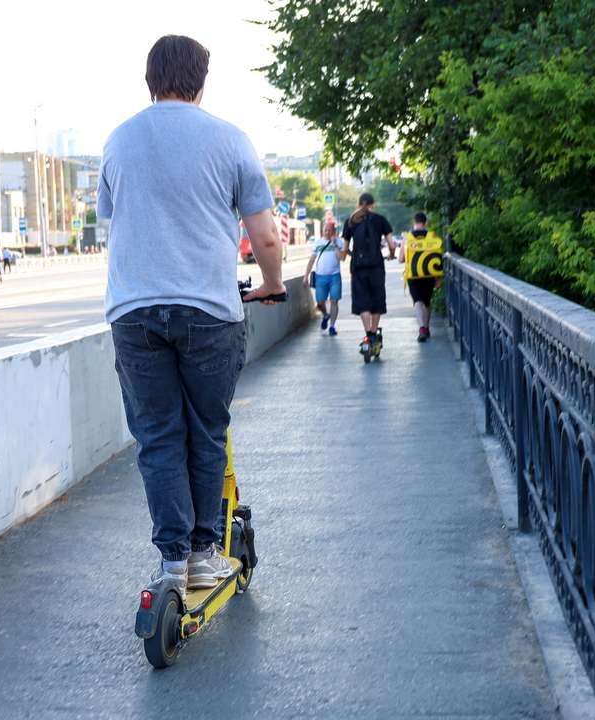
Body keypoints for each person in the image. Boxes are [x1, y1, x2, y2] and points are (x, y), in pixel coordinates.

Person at [101, 34, 284, 598]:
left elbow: (114, 216)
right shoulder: (230, 140)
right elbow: (266, 235)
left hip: (134, 312)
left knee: (157, 436)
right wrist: (273, 286)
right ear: (202, 80)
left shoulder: (118, 140)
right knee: (207, 430)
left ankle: (172, 562)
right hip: (208, 311)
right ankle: (206, 554)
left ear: (149, 79)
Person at [342, 193, 394, 357]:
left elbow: (344, 248)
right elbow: (392, 244)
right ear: (373, 204)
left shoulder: (350, 221)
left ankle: (368, 335)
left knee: (362, 301)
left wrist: (345, 255)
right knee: (377, 300)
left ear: (358, 204)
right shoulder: (380, 219)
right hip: (376, 266)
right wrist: (392, 254)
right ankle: (373, 333)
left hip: (358, 267)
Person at [402, 212, 445, 342]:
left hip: (413, 275)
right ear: (425, 223)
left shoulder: (407, 238)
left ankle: (421, 328)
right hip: (429, 274)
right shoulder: (432, 236)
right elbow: (438, 256)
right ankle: (426, 327)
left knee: (417, 301)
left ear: (414, 222)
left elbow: (401, 258)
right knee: (426, 301)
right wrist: (438, 278)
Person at [303, 218, 344, 336]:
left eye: (329, 230)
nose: (327, 232)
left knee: (334, 301)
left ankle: (332, 326)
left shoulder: (339, 242)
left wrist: (335, 244)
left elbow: (341, 257)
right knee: (320, 302)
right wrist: (306, 275)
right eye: (325, 230)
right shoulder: (318, 243)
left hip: (335, 276)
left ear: (334, 232)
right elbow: (311, 260)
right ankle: (326, 315)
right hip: (320, 277)